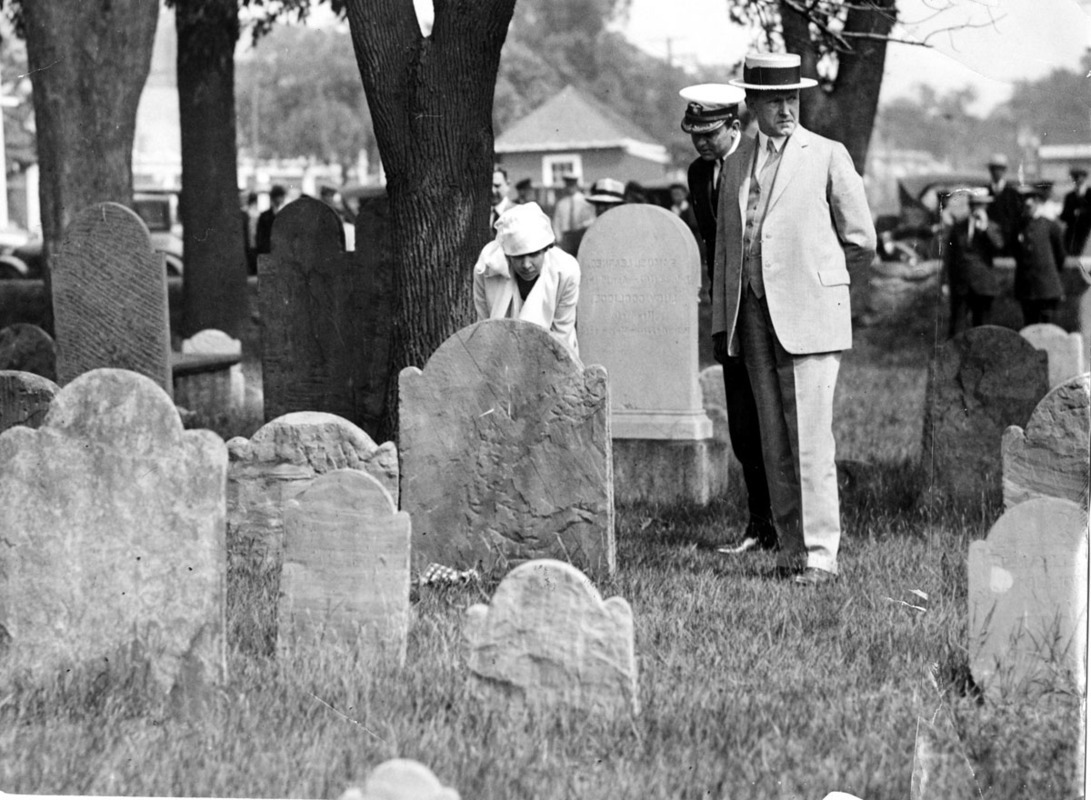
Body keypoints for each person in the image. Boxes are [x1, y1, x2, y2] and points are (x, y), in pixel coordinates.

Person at [712, 53, 876, 586]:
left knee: (810, 438)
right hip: (753, 315)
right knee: (772, 438)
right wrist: (726, 321)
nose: (786, 110)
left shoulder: (826, 154)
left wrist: (815, 280)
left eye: (792, 99)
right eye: (774, 101)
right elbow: (725, 252)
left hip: (810, 316)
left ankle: (821, 554)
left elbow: (861, 240)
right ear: (752, 105)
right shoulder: (736, 163)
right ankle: (789, 550)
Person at [679, 81, 774, 554]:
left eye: (709, 133)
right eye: (694, 133)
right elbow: (712, 249)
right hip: (729, 312)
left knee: (774, 420)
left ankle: (787, 523)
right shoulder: (698, 173)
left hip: (769, 311)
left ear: (734, 126)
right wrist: (719, 322)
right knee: (741, 426)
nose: (700, 142)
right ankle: (759, 526)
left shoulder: (761, 163)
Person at [473, 202, 580, 356]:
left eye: (534, 254)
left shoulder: (566, 271)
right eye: (518, 257)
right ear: (507, 255)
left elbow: (561, 337)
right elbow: (484, 329)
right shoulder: (486, 269)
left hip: (554, 359)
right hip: (499, 358)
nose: (526, 265)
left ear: (546, 249)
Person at [943, 188, 1004, 336]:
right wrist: (945, 282)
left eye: (981, 205)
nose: (977, 208)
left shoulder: (993, 227)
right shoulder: (958, 227)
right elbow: (949, 257)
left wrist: (985, 228)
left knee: (983, 329)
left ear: (986, 207)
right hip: (961, 287)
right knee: (957, 327)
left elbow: (999, 246)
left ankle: (981, 359)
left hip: (983, 286)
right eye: (974, 204)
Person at [1013, 185, 1067, 326]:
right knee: (1030, 327)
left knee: (1047, 328)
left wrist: (1049, 275)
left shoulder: (1050, 225)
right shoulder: (1019, 226)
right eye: (1023, 200)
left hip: (1046, 289)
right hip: (1027, 289)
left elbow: (1060, 255)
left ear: (1037, 201)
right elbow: (1017, 253)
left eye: (1030, 200)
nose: (1026, 204)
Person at [985, 153, 1023, 255]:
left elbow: (1017, 219)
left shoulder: (1013, 194)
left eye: (1000, 169)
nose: (996, 172)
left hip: (1010, 245)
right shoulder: (984, 192)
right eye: (994, 169)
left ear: (1004, 170)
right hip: (989, 245)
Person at [551, 174, 596, 254]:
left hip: (580, 235)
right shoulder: (561, 204)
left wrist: (582, 226)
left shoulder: (585, 201)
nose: (570, 188)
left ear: (576, 185)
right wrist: (559, 239)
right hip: (566, 237)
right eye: (568, 185)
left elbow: (591, 218)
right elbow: (556, 223)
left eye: (572, 185)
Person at [1059, 165, 1091, 256]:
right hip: (1072, 234)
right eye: (1075, 177)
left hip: (1087, 233)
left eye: (1080, 176)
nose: (1077, 179)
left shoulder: (1090, 194)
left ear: (1084, 177)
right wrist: (1073, 214)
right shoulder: (1069, 196)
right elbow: (1064, 216)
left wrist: (1081, 213)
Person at [255, 184, 288, 256]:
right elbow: (260, 236)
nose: (281, 199)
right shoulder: (265, 215)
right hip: (269, 250)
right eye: (279, 196)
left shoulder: (286, 214)